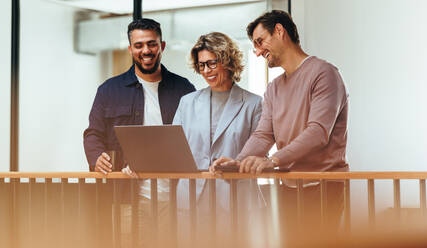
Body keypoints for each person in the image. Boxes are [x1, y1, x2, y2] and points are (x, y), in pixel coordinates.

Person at [212, 10, 349, 245]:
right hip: (288, 187)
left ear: (279, 31)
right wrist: (240, 161)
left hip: (323, 188)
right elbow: (264, 134)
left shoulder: (324, 74)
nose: (256, 52)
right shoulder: (274, 87)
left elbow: (318, 132)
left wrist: (273, 161)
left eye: (259, 42)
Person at [83, 18, 195, 247]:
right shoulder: (109, 90)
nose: (146, 50)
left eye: (152, 44)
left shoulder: (184, 88)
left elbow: (197, 137)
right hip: (128, 196)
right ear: (130, 48)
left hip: (176, 197)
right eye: (139, 45)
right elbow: (93, 134)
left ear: (162, 46)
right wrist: (96, 159)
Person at [173, 32, 265, 246]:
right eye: (201, 65)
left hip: (235, 199)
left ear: (227, 60)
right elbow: (174, 148)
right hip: (192, 200)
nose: (206, 71)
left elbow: (260, 152)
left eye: (212, 63)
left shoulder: (253, 104)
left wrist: (238, 164)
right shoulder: (187, 103)